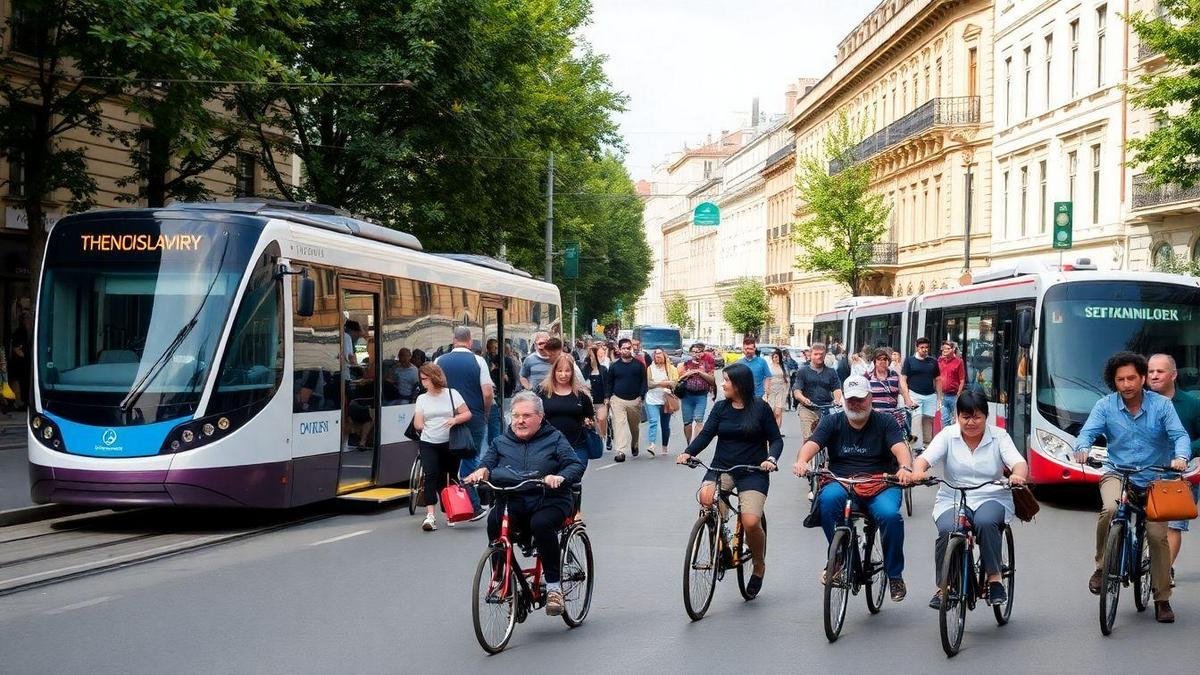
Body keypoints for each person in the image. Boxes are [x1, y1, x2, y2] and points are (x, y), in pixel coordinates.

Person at [1071, 351, 1190, 623]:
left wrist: (1181, 457)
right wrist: (1082, 448)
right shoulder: (1105, 405)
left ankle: (1162, 598)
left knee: (1157, 536)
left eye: (1132, 378)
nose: (1126, 384)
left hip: (1155, 477)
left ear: (1142, 378)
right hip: (1118, 472)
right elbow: (1087, 433)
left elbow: (1179, 435)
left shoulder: (1161, 406)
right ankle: (1102, 568)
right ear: (1113, 382)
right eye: (1120, 379)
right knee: (1110, 509)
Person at [794, 375, 914, 602]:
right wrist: (802, 461)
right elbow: (812, 443)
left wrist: (905, 468)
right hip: (842, 481)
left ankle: (894, 574)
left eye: (860, 399)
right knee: (827, 501)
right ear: (844, 400)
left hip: (880, 482)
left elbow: (900, 448)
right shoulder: (832, 422)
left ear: (870, 398)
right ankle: (838, 556)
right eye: (851, 400)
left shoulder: (885, 422)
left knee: (890, 516)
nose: (855, 404)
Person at [465, 392, 585, 616]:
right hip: (514, 499)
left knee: (541, 524)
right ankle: (500, 575)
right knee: (494, 520)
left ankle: (553, 587)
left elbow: (574, 465)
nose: (520, 421)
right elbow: (487, 463)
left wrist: (559, 477)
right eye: (516, 415)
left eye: (526, 416)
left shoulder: (555, 438)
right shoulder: (501, 441)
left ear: (540, 417)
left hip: (550, 499)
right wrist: (480, 471)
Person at [912, 391, 1029, 609]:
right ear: (957, 416)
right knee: (948, 529)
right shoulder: (948, 435)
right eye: (965, 417)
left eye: (977, 417)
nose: (971, 422)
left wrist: (1017, 475)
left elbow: (1018, 463)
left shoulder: (999, 436)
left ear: (986, 416)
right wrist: (919, 471)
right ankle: (944, 587)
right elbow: (924, 459)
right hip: (953, 496)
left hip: (991, 495)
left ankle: (994, 578)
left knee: (986, 522)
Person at [676, 362, 783, 599]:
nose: (722, 384)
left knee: (751, 521)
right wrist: (689, 452)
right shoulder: (721, 408)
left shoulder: (760, 409)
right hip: (721, 468)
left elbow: (776, 439)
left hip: (753, 470)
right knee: (706, 498)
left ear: (739, 384)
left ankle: (758, 565)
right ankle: (718, 540)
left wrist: (771, 458)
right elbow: (705, 435)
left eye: (726, 380)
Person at [1145, 354, 1200, 588]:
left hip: (1180, 474)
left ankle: (1164, 572)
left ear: (1174, 375)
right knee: (1143, 521)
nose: (1154, 375)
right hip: (1146, 471)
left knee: (1174, 525)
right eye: (1150, 372)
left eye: (1160, 371)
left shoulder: (1192, 404)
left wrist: (1185, 453)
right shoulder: (1140, 401)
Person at [435, 326, 493, 521]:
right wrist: (485, 413)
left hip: (447, 418)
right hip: (474, 416)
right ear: (469, 341)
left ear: (454, 340)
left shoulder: (439, 361)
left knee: (451, 460)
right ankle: (475, 502)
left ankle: (454, 504)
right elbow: (487, 392)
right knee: (471, 457)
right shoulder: (478, 361)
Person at [413, 363, 473, 531]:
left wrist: (455, 420)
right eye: (421, 379)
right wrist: (422, 424)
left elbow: (467, 413)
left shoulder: (452, 394)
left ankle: (450, 510)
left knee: (449, 476)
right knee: (430, 475)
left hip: (450, 442)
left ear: (434, 378)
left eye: (425, 379)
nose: (422, 382)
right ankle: (430, 515)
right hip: (428, 442)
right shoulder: (421, 398)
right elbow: (418, 424)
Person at [538, 354, 596, 471]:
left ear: (572, 373)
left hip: (576, 445)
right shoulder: (543, 392)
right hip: (549, 446)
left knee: (573, 478)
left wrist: (589, 421)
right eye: (559, 371)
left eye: (567, 371)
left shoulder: (581, 394)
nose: (563, 375)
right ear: (554, 371)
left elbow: (590, 416)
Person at [790, 343, 843, 447]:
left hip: (826, 408)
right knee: (808, 438)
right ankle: (806, 461)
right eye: (816, 354)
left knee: (830, 437)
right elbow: (797, 390)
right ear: (811, 355)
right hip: (807, 408)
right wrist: (803, 399)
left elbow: (837, 389)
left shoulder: (831, 372)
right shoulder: (803, 371)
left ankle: (827, 460)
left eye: (821, 354)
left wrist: (837, 400)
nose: (819, 356)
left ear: (825, 355)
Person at [605, 338, 648, 462]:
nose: (627, 350)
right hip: (617, 399)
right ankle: (620, 451)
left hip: (635, 400)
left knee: (634, 427)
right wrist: (608, 397)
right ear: (619, 349)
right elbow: (609, 383)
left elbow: (643, 382)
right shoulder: (614, 366)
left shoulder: (639, 365)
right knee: (619, 424)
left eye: (629, 348)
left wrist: (641, 396)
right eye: (624, 348)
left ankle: (634, 444)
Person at [900, 337, 941, 452]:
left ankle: (927, 447)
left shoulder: (933, 361)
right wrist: (907, 398)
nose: (924, 350)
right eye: (922, 347)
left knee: (928, 421)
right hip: (915, 396)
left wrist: (939, 397)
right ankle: (915, 448)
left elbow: (938, 379)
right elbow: (903, 380)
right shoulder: (910, 361)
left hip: (930, 397)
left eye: (926, 347)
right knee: (916, 421)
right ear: (917, 348)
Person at [679, 342, 717, 444]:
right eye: (694, 352)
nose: (696, 354)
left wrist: (701, 372)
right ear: (691, 352)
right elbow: (679, 379)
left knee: (699, 419)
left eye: (699, 352)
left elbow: (712, 380)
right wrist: (688, 374)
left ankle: (695, 445)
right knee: (687, 423)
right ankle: (689, 444)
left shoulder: (707, 365)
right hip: (687, 396)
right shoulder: (686, 364)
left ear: (702, 353)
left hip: (701, 396)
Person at [644, 348, 679, 456]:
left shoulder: (671, 369)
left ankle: (664, 446)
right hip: (652, 399)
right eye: (656, 354)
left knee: (665, 425)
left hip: (666, 400)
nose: (658, 356)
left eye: (660, 354)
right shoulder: (650, 368)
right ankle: (652, 444)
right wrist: (663, 383)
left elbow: (674, 383)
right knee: (653, 421)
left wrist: (661, 383)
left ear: (664, 355)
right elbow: (649, 384)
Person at [485, 338, 517, 452]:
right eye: (492, 348)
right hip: (494, 394)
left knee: (503, 418)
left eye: (496, 348)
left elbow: (513, 378)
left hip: (504, 393)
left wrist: (507, 380)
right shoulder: (487, 360)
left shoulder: (506, 360)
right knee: (497, 420)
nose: (494, 350)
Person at [865, 348, 907, 431]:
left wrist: (909, 401)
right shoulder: (868, 377)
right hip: (875, 417)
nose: (882, 361)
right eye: (879, 359)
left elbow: (903, 391)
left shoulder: (895, 376)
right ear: (875, 362)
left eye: (885, 359)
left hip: (893, 417)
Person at [584, 345, 609, 443]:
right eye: (590, 356)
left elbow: (607, 384)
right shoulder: (584, 370)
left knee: (601, 418)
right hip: (589, 400)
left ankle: (605, 435)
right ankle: (599, 438)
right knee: (593, 421)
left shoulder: (603, 369)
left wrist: (607, 397)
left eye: (593, 356)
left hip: (601, 399)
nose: (592, 359)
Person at [937, 341, 966, 428]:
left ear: (953, 349)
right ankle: (946, 439)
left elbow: (962, 379)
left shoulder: (959, 361)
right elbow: (936, 377)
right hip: (943, 396)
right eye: (944, 349)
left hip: (954, 396)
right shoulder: (939, 360)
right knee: (945, 420)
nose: (945, 350)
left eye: (948, 349)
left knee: (956, 421)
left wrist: (959, 393)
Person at [763, 350, 789, 429]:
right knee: (771, 412)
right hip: (771, 391)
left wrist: (787, 391)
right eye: (774, 357)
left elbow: (787, 379)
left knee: (778, 412)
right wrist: (766, 390)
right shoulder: (769, 367)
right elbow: (766, 378)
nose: (775, 359)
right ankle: (771, 430)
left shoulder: (783, 367)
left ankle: (777, 432)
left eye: (777, 357)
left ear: (780, 357)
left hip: (781, 391)